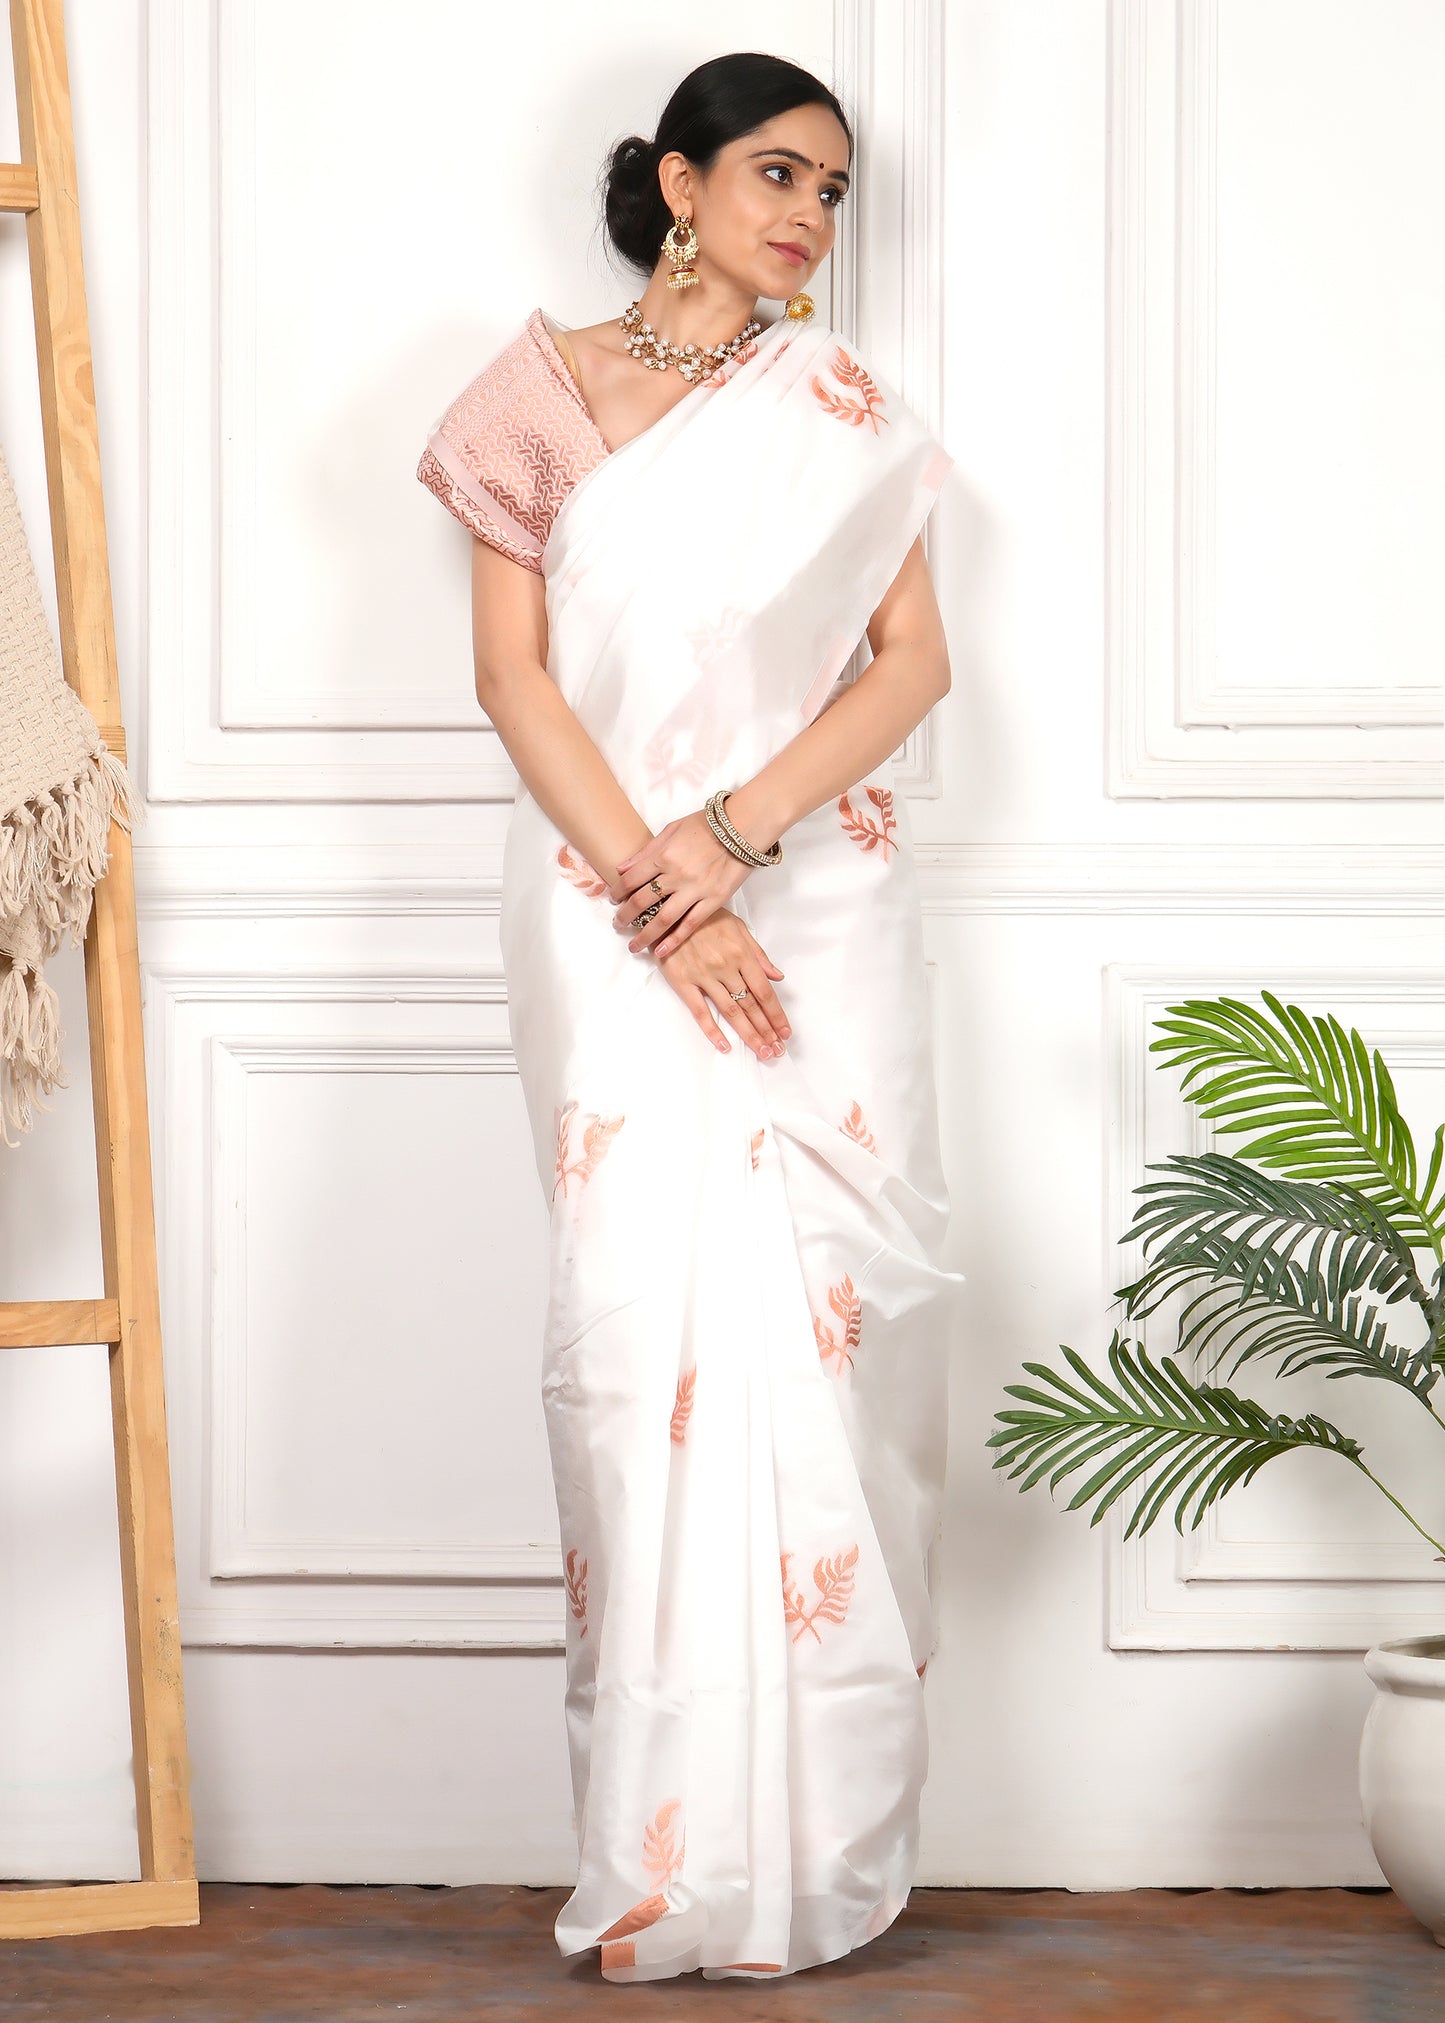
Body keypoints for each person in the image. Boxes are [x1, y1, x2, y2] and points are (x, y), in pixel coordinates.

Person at [417, 48, 965, 1985]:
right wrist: (667, 895)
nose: (808, 217)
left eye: (834, 189)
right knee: (641, 1350)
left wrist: (737, 841)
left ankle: (819, 1853)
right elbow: (516, 679)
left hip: (809, 902)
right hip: (605, 915)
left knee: (829, 1350)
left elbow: (916, 667)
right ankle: (665, 1848)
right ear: (675, 178)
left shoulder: (847, 421)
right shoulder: (534, 400)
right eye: (774, 175)